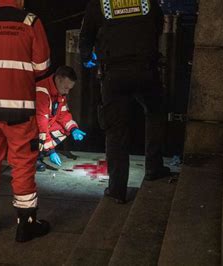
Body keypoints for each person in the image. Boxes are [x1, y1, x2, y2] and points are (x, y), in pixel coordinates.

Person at [0, 0, 51, 242]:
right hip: (20, 108)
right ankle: (26, 224)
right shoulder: (30, 21)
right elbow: (42, 66)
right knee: (23, 162)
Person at [79, 0, 171, 203]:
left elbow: (85, 37)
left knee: (116, 130)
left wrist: (89, 57)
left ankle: (117, 189)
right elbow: (158, 25)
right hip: (145, 69)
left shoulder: (100, 4)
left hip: (114, 74)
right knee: (155, 112)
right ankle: (154, 167)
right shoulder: (146, 1)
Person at [36, 66, 86, 169]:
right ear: (58, 79)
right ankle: (33, 158)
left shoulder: (59, 92)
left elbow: (63, 115)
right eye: (66, 88)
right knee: (40, 133)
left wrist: (73, 129)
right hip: (33, 128)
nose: (67, 92)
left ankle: (40, 151)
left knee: (65, 129)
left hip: (44, 126)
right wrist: (51, 151)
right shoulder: (41, 91)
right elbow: (41, 124)